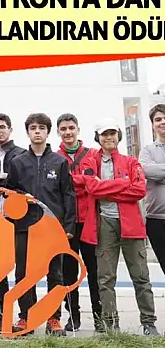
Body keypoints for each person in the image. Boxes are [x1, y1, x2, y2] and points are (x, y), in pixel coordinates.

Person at [80, 118, 159, 336]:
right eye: (104, 134)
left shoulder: (131, 162)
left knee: (141, 276)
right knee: (105, 278)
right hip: (104, 224)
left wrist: (105, 189)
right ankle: (111, 324)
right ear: (98, 138)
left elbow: (139, 190)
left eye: (112, 133)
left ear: (118, 136)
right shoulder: (89, 163)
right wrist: (123, 183)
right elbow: (92, 188)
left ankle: (149, 323)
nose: (109, 137)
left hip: (131, 226)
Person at [6, 113, 76, 336]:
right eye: (33, 128)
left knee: (55, 273)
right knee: (23, 273)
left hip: (52, 228)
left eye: (42, 128)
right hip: (24, 227)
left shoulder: (59, 162)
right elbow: (8, 193)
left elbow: (68, 195)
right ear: (27, 132)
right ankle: (26, 317)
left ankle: (53, 318)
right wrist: (18, 202)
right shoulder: (17, 162)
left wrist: (68, 227)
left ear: (48, 132)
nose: (37, 132)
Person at [56, 113, 101, 332]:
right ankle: (73, 316)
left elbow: (96, 184)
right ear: (58, 132)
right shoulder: (55, 158)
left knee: (95, 270)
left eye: (71, 128)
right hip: (67, 223)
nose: (68, 132)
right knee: (68, 272)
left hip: (90, 221)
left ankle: (99, 316)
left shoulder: (93, 154)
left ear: (78, 130)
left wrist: (74, 181)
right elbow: (57, 187)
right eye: (63, 129)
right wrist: (84, 180)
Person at [0, 113, 23, 311]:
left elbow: (17, 182)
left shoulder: (20, 154)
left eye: (2, 127)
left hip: (14, 216)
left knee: (19, 264)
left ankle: (23, 312)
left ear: (10, 129)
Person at [139, 104, 165, 278]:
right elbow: (145, 170)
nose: (162, 122)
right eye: (158, 119)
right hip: (155, 219)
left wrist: (159, 173)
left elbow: (153, 172)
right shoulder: (147, 151)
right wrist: (153, 172)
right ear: (153, 124)